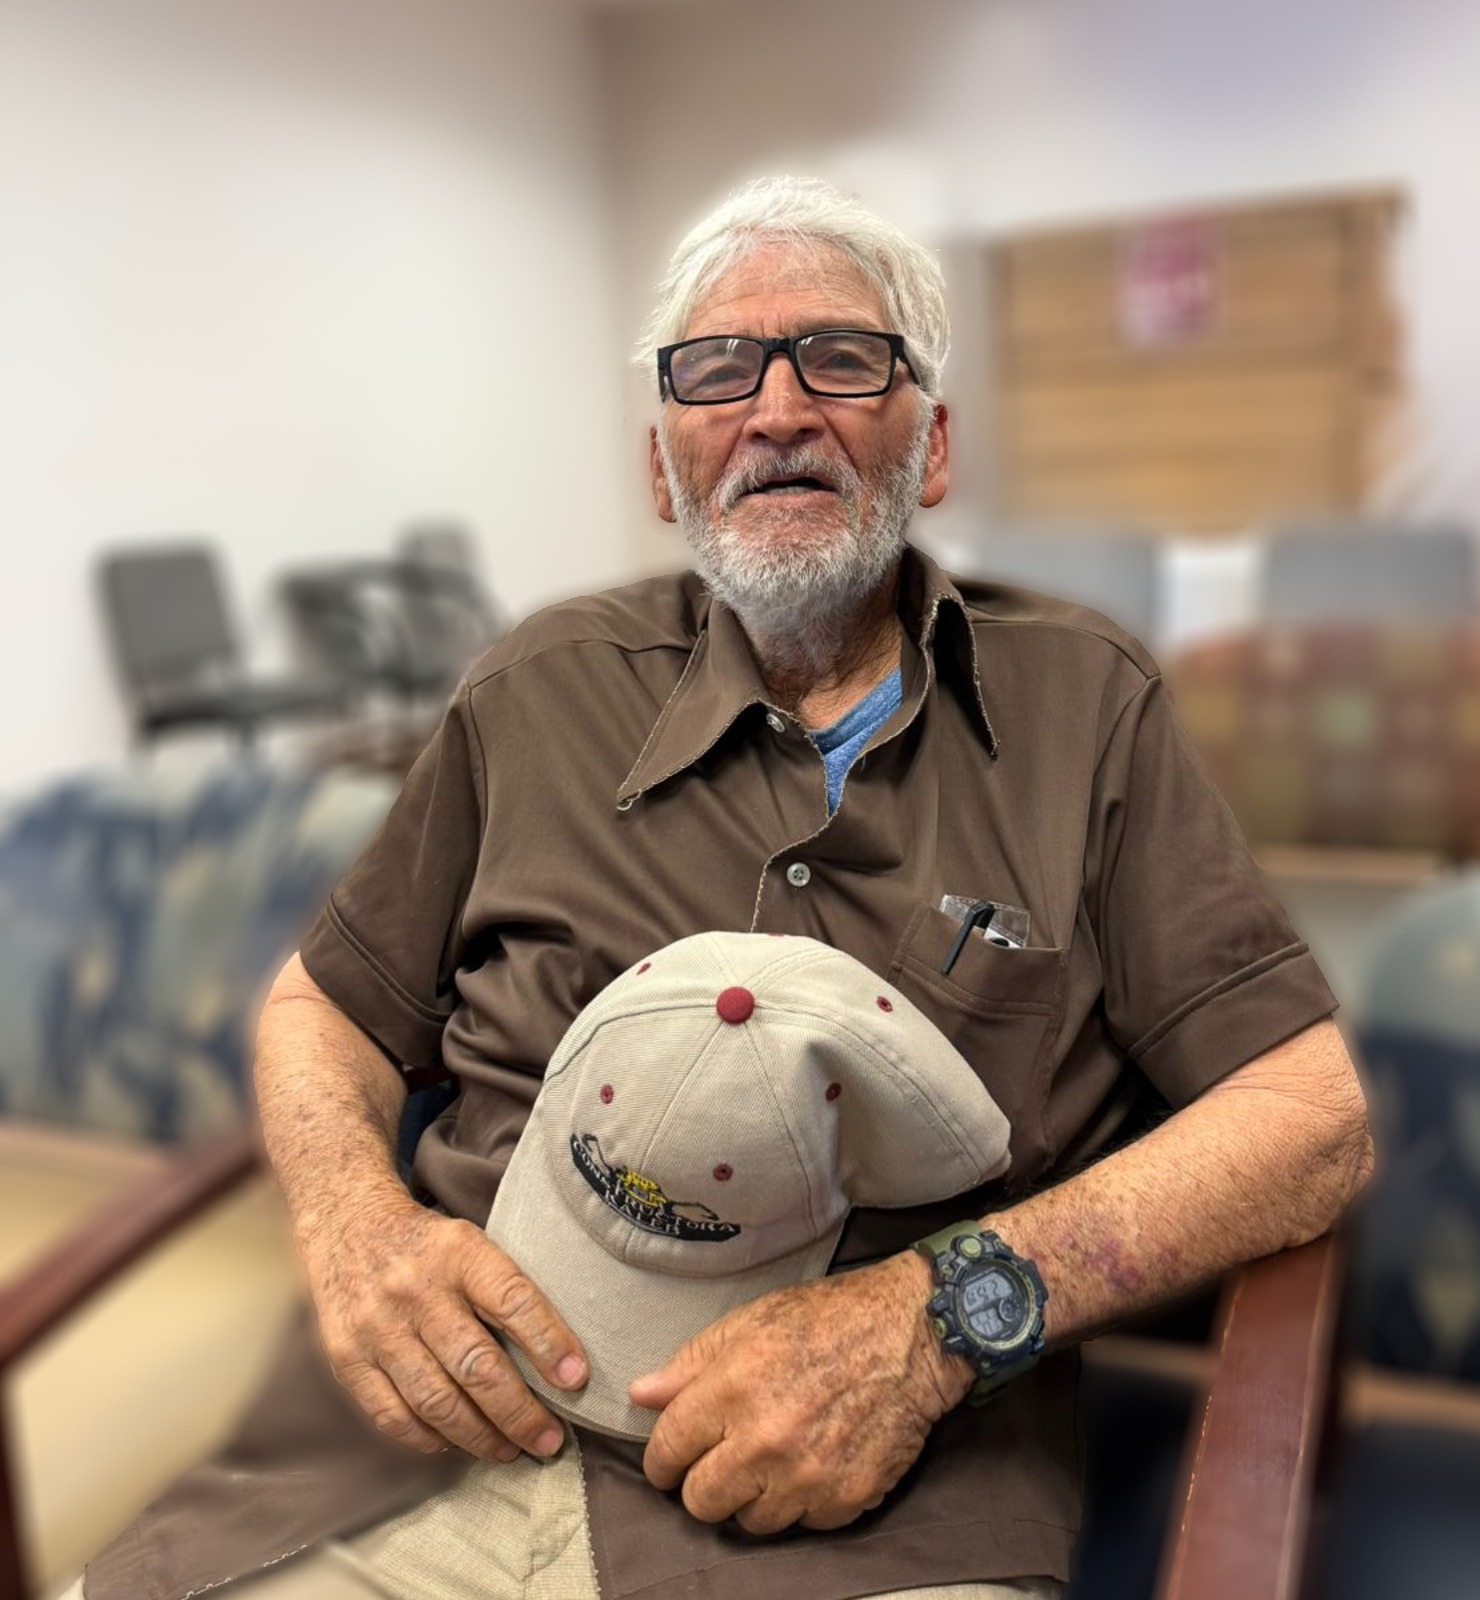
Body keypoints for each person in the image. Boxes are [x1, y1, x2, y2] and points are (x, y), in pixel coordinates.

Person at [81, 176, 1372, 1600]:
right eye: (717, 370)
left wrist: (934, 1321)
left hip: (862, 1521)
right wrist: (354, 1228)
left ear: (933, 444)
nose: (778, 411)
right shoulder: (533, 694)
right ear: (663, 468)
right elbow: (320, 1010)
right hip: (415, 1466)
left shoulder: (1088, 709)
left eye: (842, 358)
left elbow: (1309, 1120)